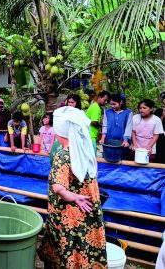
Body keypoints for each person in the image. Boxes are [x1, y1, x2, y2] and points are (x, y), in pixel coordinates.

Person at [38, 106, 107, 268]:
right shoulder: (85, 149)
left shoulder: (62, 155)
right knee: (82, 246)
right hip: (86, 211)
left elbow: (58, 188)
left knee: (66, 247)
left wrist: (75, 197)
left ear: (60, 129)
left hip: (67, 213)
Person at [99, 94, 132, 158]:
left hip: (123, 141)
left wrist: (126, 140)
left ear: (121, 102)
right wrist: (102, 138)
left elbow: (129, 127)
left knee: (122, 158)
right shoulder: (107, 112)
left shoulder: (128, 113)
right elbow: (105, 125)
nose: (112, 106)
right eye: (111, 104)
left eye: (114, 104)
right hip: (108, 140)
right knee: (108, 157)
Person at [153, 92, 165, 164]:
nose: (164, 106)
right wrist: (162, 117)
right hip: (160, 141)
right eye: (163, 104)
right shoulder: (158, 111)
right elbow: (153, 126)